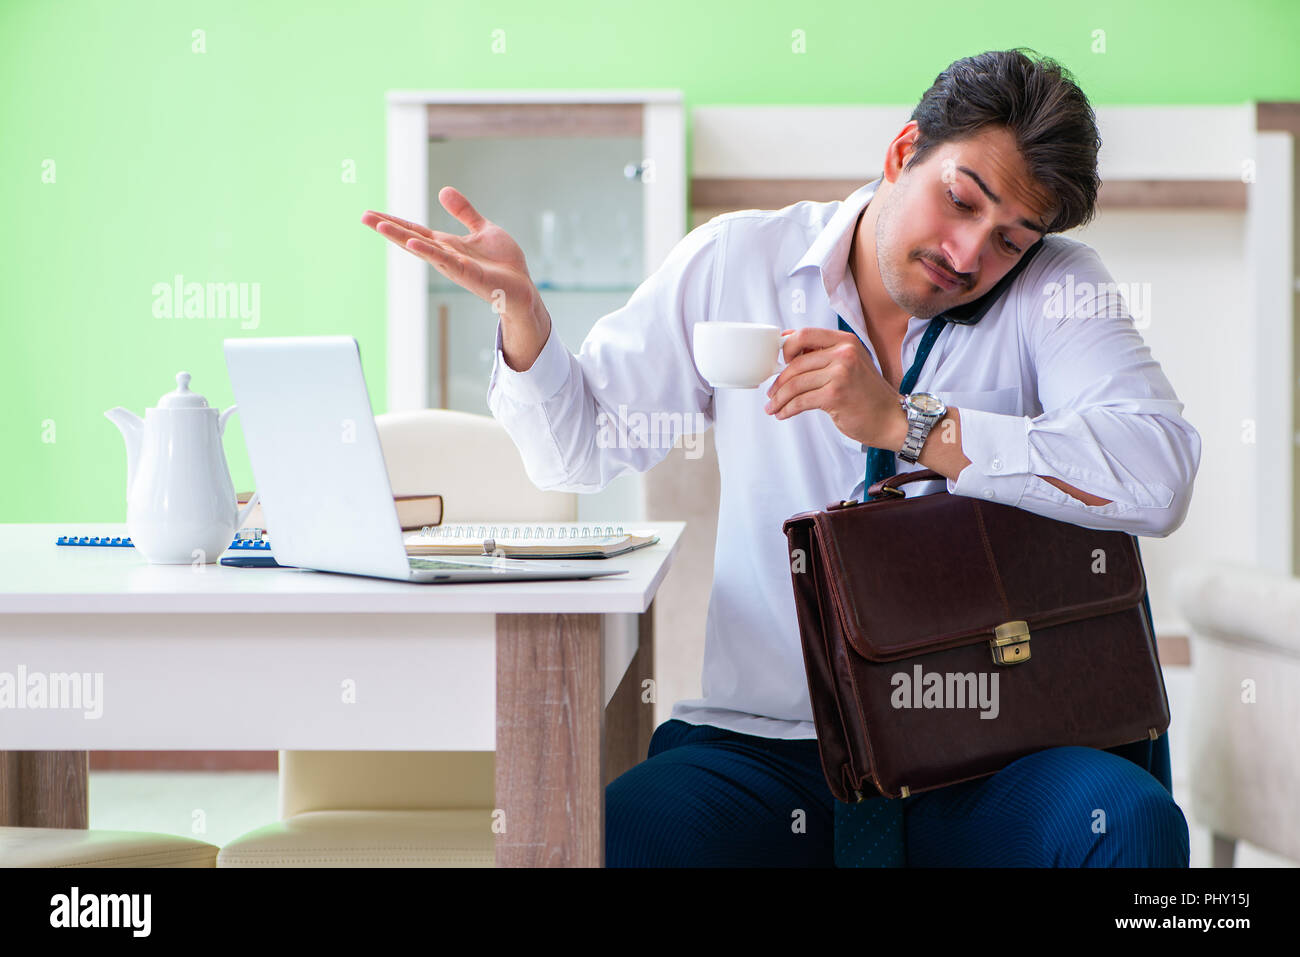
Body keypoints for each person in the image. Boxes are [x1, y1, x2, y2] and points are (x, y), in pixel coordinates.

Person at [362, 47, 1201, 867]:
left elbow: (1157, 474)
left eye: (1011, 239)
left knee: (1125, 824)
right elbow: (578, 450)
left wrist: (909, 424)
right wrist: (525, 322)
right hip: (768, 747)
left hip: (992, 752)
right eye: (961, 200)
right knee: (612, 834)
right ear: (903, 151)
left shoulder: (1055, 287)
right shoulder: (736, 261)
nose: (970, 253)